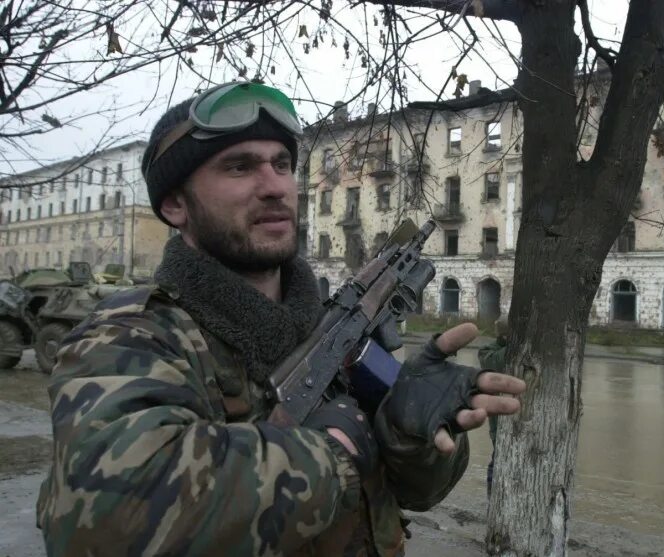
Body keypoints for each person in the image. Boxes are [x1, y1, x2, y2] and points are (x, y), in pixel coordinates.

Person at [35, 82, 525, 556]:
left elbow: (418, 495)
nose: (275, 187)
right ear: (174, 204)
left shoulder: (330, 328)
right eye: (239, 166)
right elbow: (102, 526)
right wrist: (335, 450)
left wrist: (411, 435)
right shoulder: (128, 337)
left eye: (283, 164)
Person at [477, 319, 509, 496]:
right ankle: (493, 497)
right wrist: (517, 341)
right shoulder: (487, 351)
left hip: (518, 416)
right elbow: (495, 363)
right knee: (498, 458)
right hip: (499, 422)